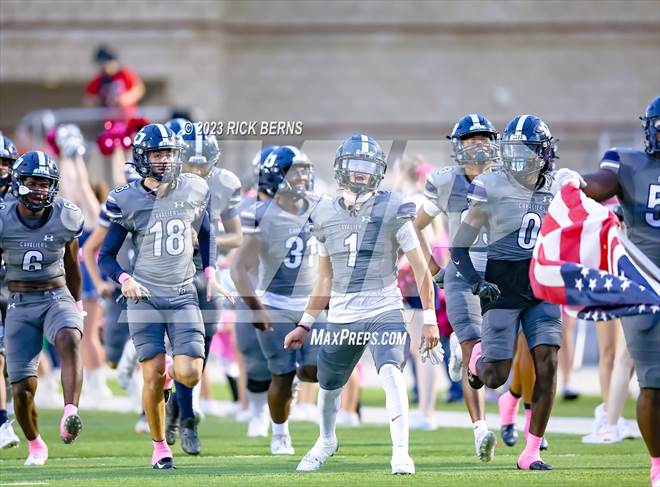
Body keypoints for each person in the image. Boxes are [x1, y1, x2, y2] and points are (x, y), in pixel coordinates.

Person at [285, 134, 441, 475]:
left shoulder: (393, 207)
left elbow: (420, 267)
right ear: (342, 168)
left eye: (367, 167)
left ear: (378, 172)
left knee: (391, 372)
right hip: (342, 313)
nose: (360, 173)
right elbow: (324, 278)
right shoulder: (324, 212)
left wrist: (430, 318)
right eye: (354, 166)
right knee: (328, 388)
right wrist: (306, 322)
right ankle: (326, 440)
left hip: (384, 306)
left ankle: (401, 453)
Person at [98, 123, 232, 469]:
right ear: (143, 158)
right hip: (143, 297)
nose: (165, 160)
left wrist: (211, 272)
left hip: (183, 292)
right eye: (158, 154)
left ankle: (173, 372)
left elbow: (207, 234)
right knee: (152, 372)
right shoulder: (125, 198)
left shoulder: (195, 187)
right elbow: (106, 256)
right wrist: (124, 278)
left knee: (190, 373)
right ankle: (160, 448)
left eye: (170, 153)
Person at [555, 95, 660, 486]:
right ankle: (657, 465)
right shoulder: (628, 162)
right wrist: (579, 181)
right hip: (645, 285)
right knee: (651, 380)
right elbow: (602, 184)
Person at [451, 115, 562, 471]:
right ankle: (474, 357)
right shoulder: (491, 185)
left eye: (526, 150)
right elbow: (459, 248)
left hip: (541, 286)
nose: (519, 158)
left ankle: (531, 452)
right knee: (495, 376)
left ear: (543, 152)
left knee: (548, 360)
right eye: (513, 150)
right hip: (502, 288)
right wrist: (474, 282)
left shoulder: (558, 187)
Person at [414, 114, 499, 460]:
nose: (479, 145)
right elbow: (413, 226)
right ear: (458, 146)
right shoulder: (446, 182)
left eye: (484, 139)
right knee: (473, 351)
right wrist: (431, 266)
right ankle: (480, 429)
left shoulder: (507, 180)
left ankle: (513, 419)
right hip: (464, 274)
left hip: (500, 274)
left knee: (501, 358)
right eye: (471, 139)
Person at [232, 146, 321, 455]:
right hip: (275, 301)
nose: (302, 177)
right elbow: (238, 266)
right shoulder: (259, 215)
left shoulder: (320, 207)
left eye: (303, 170)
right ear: (275, 176)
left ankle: (305, 399)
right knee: (280, 373)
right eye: (293, 171)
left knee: (316, 369)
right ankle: (280, 434)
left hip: (311, 303)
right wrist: (256, 308)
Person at [0, 151, 86, 465]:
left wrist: (77, 304)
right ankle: (36, 443)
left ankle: (70, 413)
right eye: (33, 182)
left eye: (45, 183)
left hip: (55, 294)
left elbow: (72, 264)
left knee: (68, 337)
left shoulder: (66, 215)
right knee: (22, 388)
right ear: (18, 182)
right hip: (19, 303)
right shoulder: (3, 217)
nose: (39, 189)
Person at [165, 122, 242, 455]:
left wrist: (208, 238)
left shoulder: (223, 184)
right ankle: (188, 420)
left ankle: (177, 408)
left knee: (202, 353)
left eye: (202, 163)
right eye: (191, 163)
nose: (196, 170)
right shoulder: (164, 183)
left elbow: (237, 235)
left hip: (209, 273)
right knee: (185, 345)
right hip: (175, 272)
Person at [0, 134, 20, 449]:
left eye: (4, 163)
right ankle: (3, 423)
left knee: (17, 364)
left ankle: (9, 408)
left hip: (18, 287)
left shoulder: (24, 199)